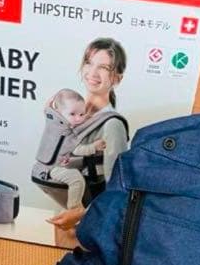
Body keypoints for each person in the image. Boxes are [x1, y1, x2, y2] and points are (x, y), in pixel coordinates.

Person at [46, 38, 128, 245]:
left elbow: (115, 188)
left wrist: (80, 214)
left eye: (104, 68)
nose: (93, 72)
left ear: (117, 78)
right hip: (62, 211)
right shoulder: (70, 113)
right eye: (89, 63)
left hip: (86, 223)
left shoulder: (112, 125)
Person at [32, 88, 107, 209]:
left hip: (41, 165)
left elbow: (47, 109)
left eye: (81, 114)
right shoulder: (67, 134)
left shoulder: (51, 120)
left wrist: (52, 103)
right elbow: (78, 150)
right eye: (72, 114)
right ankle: (74, 206)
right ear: (59, 111)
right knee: (77, 179)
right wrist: (94, 147)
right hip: (53, 168)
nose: (78, 118)